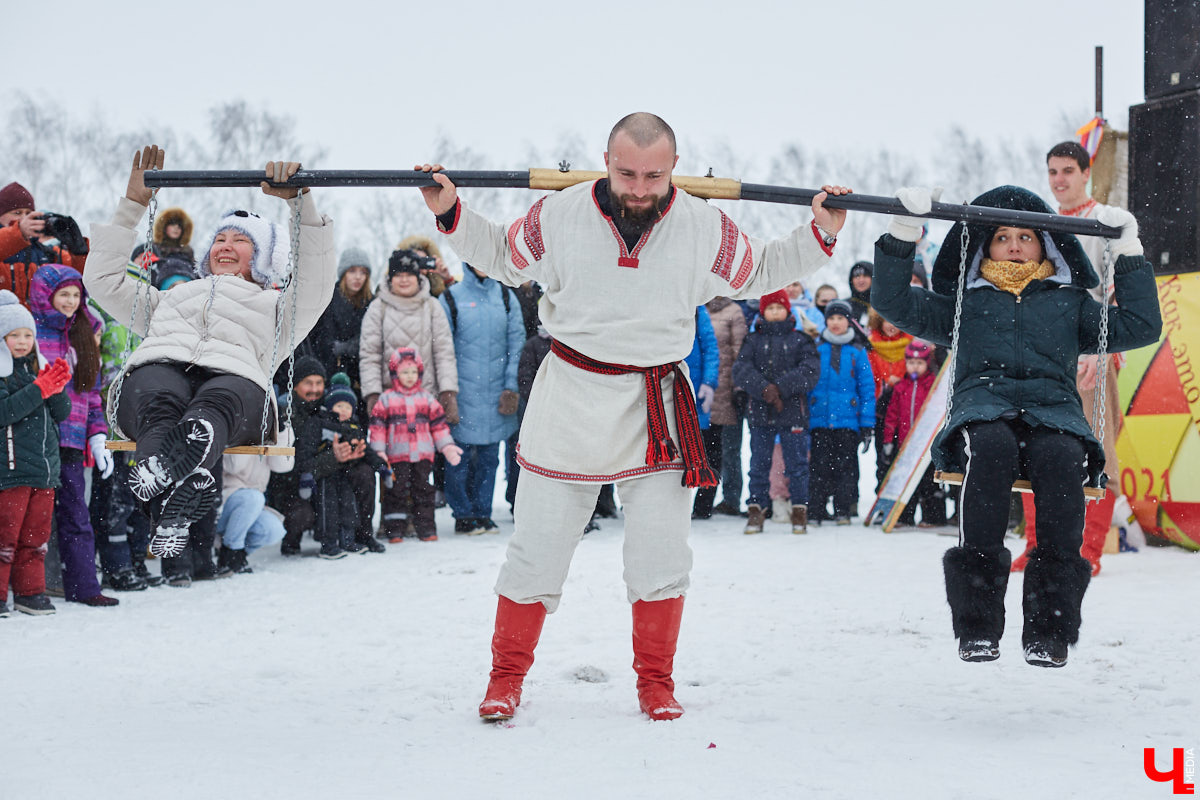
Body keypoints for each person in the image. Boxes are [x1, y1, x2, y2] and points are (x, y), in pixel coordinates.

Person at [415, 111, 849, 721]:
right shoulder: (561, 214)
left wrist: (819, 234)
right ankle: (505, 678)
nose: (640, 188)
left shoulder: (702, 225)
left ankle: (655, 683)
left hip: (656, 404)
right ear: (606, 160)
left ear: (674, 166)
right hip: (568, 393)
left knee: (661, 554)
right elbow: (503, 256)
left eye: (653, 175)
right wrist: (450, 212)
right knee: (536, 548)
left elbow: (759, 269)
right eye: (626, 173)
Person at [871, 184, 1160, 667]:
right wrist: (903, 230)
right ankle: (978, 628)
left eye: (1025, 235)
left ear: (1046, 243)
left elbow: (1140, 324)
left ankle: (1049, 631)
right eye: (1002, 235)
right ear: (984, 244)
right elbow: (894, 302)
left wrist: (1127, 249)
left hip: (1054, 412)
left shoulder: (1069, 304)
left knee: (1063, 457)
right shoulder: (966, 305)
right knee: (992, 448)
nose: (1013, 244)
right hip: (983, 409)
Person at [84, 146, 336, 559]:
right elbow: (102, 279)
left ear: (266, 257)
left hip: (235, 388)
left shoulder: (277, 308)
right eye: (219, 238)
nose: (225, 245)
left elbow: (317, 282)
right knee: (155, 391)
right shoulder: (172, 297)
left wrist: (300, 204)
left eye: (241, 240)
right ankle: (171, 499)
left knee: (219, 398)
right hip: (161, 372)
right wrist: (133, 205)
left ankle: (188, 449)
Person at [1012, 141, 1126, 576]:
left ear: (1085, 172)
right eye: (1052, 172)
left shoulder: (1107, 223)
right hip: (1042, 358)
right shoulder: (1041, 225)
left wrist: (1103, 349)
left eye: (1067, 171)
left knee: (1097, 452)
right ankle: (1036, 546)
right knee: (1032, 448)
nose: (1059, 180)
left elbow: (1119, 296)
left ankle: (1087, 551)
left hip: (1090, 357)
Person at [30, 265, 118, 607]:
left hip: (71, 439)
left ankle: (85, 587)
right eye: (63, 294)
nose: (70, 301)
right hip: (35, 438)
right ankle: (28, 589)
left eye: (75, 294)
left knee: (75, 514)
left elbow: (91, 394)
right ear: (45, 294)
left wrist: (98, 435)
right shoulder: (30, 331)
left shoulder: (84, 331)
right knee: (26, 518)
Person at [0, 290, 72, 616]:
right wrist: (37, 390)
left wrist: (56, 388)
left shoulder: (35, 369)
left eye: (27, 334)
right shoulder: (4, 375)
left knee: (35, 538)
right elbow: (4, 412)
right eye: (13, 335)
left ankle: (30, 593)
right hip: (11, 471)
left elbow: (61, 413)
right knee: (5, 538)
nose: (21, 341)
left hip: (44, 471)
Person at [438, 264, 525, 534]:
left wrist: (511, 387)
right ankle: (463, 514)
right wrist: (448, 391)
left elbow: (516, 342)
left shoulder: (507, 297)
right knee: (458, 460)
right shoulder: (451, 298)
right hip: (463, 393)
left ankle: (483, 513)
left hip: (497, 393)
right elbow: (442, 348)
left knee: (490, 458)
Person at [733, 289, 820, 535]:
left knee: (797, 465)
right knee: (759, 464)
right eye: (769, 308)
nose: (774, 312)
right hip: (760, 412)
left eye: (778, 307)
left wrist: (779, 388)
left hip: (793, 411)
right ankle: (756, 511)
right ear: (763, 312)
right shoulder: (752, 340)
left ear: (787, 310)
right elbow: (741, 369)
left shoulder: (801, 339)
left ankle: (800, 511)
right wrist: (764, 389)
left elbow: (810, 371)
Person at [369, 347, 463, 542]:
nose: (410, 376)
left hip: (422, 455)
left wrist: (447, 447)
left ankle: (426, 528)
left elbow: (439, 427)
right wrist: (379, 450)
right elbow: (378, 427)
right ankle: (394, 529)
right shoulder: (387, 400)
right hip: (397, 455)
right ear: (395, 373)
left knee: (423, 491)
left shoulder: (427, 399)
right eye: (405, 372)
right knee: (396, 491)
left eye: (413, 372)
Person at [302, 373, 391, 558]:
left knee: (348, 506)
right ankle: (328, 543)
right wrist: (308, 475)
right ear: (329, 406)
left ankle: (350, 539)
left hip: (345, 473)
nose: (344, 410)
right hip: (326, 474)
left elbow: (366, 450)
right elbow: (307, 451)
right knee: (329, 506)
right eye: (339, 405)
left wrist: (381, 467)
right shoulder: (319, 423)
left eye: (347, 406)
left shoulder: (353, 427)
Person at [807, 299, 875, 525]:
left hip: (848, 422)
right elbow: (806, 384)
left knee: (846, 468)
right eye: (831, 318)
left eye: (841, 318)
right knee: (819, 467)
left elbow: (866, 389)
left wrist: (867, 423)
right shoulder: (816, 348)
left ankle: (843, 510)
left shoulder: (857, 351)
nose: (836, 323)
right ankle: (816, 509)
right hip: (819, 420)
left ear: (849, 321)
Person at [880, 340, 945, 527]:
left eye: (919, 363)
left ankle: (931, 517)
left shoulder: (933, 386)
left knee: (928, 482)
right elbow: (892, 416)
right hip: (906, 445)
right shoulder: (901, 388)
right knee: (905, 481)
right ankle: (904, 516)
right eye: (911, 363)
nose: (915, 367)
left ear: (927, 363)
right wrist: (888, 441)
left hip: (927, 444)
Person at [215, 426, 295, 575]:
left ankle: (235, 555)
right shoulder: (238, 419)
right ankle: (231, 552)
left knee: (273, 530)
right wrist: (251, 433)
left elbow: (283, 466)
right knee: (252, 497)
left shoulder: (271, 422)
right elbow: (233, 466)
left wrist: (281, 431)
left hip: (254, 503)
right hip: (227, 498)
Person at [308, 247, 374, 418]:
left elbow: (372, 339)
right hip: (328, 371)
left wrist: (350, 347)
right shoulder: (328, 298)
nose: (358, 276)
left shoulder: (372, 304)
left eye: (363, 272)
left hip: (359, 375)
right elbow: (319, 338)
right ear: (344, 272)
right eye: (352, 271)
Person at [0, 182, 89, 306]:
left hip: (43, 325)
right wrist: (17, 233)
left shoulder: (49, 254)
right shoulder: (3, 246)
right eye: (17, 213)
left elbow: (79, 282)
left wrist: (79, 251)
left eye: (28, 213)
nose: (24, 218)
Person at [703, 296, 748, 517]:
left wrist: (739, 387)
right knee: (702, 449)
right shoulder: (697, 307)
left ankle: (731, 499)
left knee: (729, 449)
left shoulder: (734, 311)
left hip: (727, 390)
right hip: (701, 389)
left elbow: (740, 352)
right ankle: (699, 500)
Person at [867, 309, 913, 488]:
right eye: (886, 321)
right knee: (883, 457)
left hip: (905, 408)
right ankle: (882, 493)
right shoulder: (872, 347)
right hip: (882, 409)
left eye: (895, 321)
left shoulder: (911, 346)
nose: (891, 326)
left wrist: (901, 382)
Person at [686, 305, 720, 519]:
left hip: (694, 387)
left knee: (704, 450)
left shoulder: (697, 310)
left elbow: (710, 347)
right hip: (662, 383)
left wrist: (708, 382)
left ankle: (702, 505)